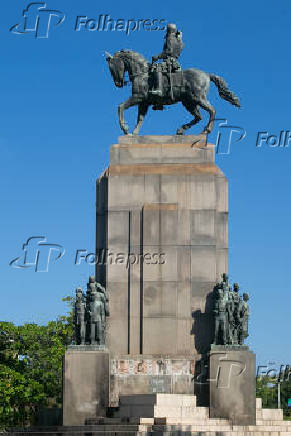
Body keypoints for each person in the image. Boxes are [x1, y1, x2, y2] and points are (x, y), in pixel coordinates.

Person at [150, 23, 184, 96]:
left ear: (168, 30)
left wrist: (157, 56)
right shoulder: (178, 40)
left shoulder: (170, 38)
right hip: (175, 62)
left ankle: (158, 89)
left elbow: (168, 51)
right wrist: (180, 38)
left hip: (169, 62)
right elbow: (181, 48)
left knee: (157, 68)